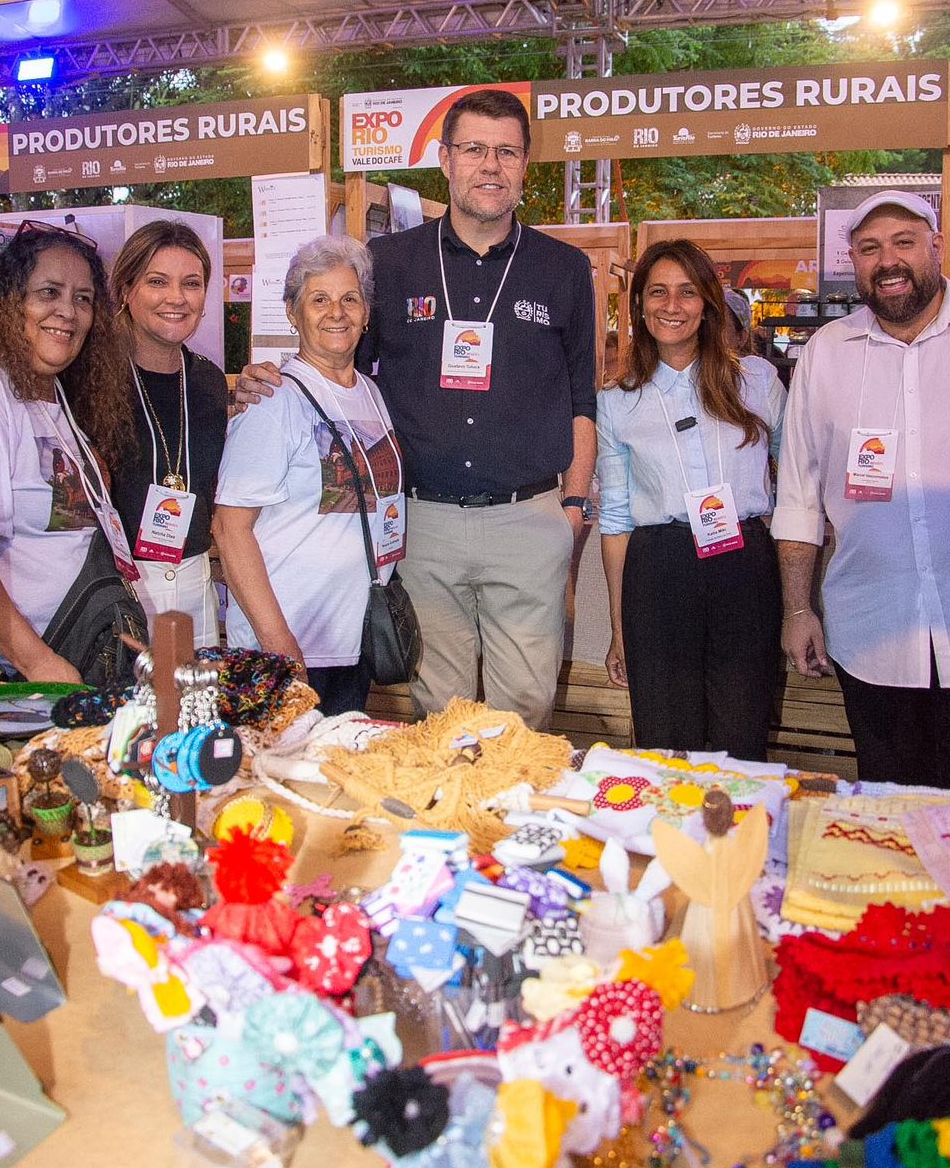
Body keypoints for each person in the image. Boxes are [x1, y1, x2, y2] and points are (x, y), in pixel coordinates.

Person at [235, 89, 597, 729]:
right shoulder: (390, 263)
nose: (491, 165)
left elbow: (581, 399)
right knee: (439, 715)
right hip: (423, 525)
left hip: (528, 520)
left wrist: (571, 508)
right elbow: (338, 359)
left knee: (528, 707)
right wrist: (266, 378)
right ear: (445, 159)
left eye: (507, 152)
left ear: (525, 164)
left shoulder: (563, 269)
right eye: (474, 149)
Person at [773, 189, 950, 789]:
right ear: (852, 260)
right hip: (874, 638)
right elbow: (798, 497)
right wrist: (798, 609)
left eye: (904, 242)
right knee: (889, 812)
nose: (888, 261)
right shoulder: (826, 353)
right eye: (870, 248)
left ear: (937, 246)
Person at [598, 239, 786, 759]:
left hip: (744, 566)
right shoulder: (617, 401)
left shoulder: (757, 382)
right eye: (658, 292)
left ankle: (740, 816)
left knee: (741, 736)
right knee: (664, 741)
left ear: (707, 302)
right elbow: (614, 520)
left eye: (686, 292)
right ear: (639, 304)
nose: (672, 306)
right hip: (659, 570)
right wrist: (619, 629)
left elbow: (795, 480)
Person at [213, 236, 403, 716]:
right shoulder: (273, 400)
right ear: (293, 314)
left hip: (351, 643)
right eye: (319, 299)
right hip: (285, 649)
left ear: (365, 314)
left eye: (349, 299)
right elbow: (230, 529)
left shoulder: (372, 394)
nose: (336, 312)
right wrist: (278, 642)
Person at [0, 222, 132, 681]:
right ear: (10, 300)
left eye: (83, 298)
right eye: (49, 292)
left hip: (80, 655)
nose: (68, 311)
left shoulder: (57, 390)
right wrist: (36, 662)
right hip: (24, 676)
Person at [109, 221, 228, 645]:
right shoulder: (93, 380)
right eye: (157, 281)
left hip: (195, 581)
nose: (176, 297)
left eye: (191, 284)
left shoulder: (210, 382)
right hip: (119, 585)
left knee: (198, 688)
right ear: (127, 290)